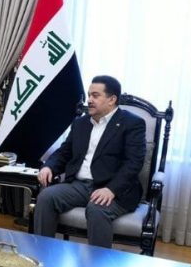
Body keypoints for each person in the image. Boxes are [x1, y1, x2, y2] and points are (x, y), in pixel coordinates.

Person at [34, 75, 146, 248]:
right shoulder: (81, 123)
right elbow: (64, 152)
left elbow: (134, 163)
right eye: (89, 95)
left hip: (113, 188)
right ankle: (42, 253)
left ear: (112, 99)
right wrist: (49, 167)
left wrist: (111, 189)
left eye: (95, 95)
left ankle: (98, 263)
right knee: (46, 197)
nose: (90, 100)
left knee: (97, 209)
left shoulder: (132, 123)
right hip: (79, 186)